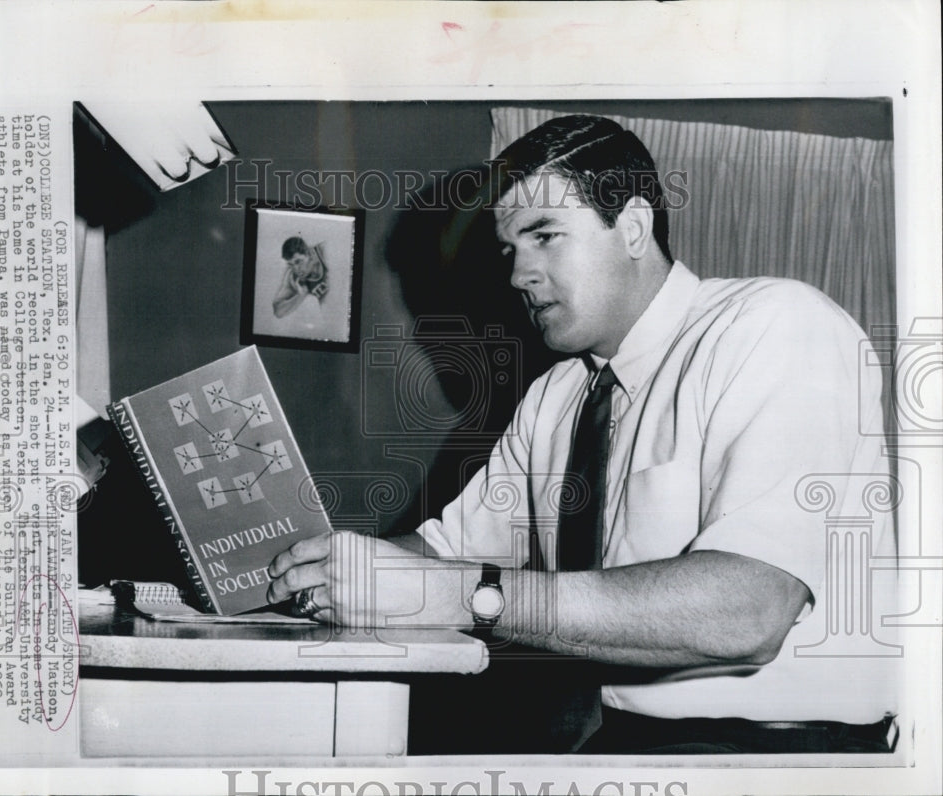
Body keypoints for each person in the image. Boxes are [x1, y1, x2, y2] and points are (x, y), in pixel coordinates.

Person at [266, 115, 897, 754]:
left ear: (632, 227)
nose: (517, 274)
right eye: (510, 249)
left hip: (785, 758)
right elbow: (439, 554)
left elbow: (752, 610)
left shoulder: (776, 326)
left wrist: (462, 597)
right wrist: (318, 570)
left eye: (545, 235)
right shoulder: (556, 395)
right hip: (623, 749)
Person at [271, 236, 328, 318]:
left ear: (310, 254)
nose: (296, 269)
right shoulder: (292, 277)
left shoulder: (325, 252)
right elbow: (278, 311)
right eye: (291, 265)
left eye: (298, 262)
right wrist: (300, 296)